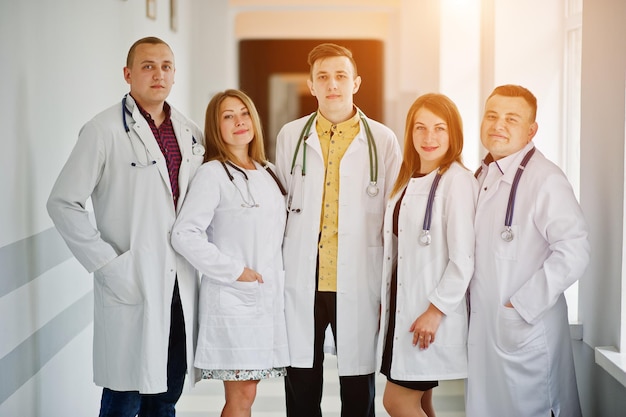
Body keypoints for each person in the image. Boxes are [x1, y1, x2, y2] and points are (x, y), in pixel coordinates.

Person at [46, 36, 205, 416]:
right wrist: (107, 265)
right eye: (148, 66)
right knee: (123, 399)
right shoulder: (102, 130)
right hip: (132, 280)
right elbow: (62, 202)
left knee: (166, 396)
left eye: (166, 66)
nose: (158, 74)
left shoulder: (190, 132)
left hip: (179, 287)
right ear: (128, 74)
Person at [274, 42, 402, 417]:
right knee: (301, 380)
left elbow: (393, 217)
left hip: (357, 276)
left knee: (358, 385)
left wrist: (389, 287)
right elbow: (281, 205)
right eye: (323, 77)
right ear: (311, 85)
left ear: (356, 82)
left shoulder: (382, 140)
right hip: (304, 275)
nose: (333, 84)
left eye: (341, 76)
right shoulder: (290, 136)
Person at [466, 84, 590, 417]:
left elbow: (574, 251)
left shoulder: (545, 179)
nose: (498, 125)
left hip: (524, 329)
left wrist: (520, 306)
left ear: (531, 130)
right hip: (489, 333)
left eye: (511, 118)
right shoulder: (482, 174)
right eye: (491, 116)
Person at [171, 89, 289, 417]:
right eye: (228, 116)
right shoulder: (212, 174)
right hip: (235, 297)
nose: (239, 121)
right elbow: (184, 234)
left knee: (248, 393)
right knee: (242, 396)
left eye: (244, 113)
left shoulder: (269, 171)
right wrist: (235, 271)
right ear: (216, 127)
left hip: (266, 298)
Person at [377, 93, 477, 417]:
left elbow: (463, 258)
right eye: (420, 128)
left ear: (454, 134)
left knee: (397, 402)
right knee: (421, 402)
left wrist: (435, 311)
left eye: (439, 128)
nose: (428, 137)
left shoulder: (457, 181)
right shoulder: (406, 178)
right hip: (403, 307)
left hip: (427, 311)